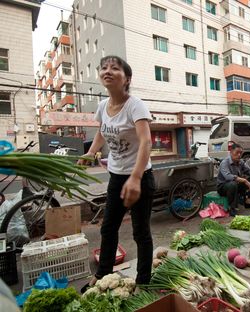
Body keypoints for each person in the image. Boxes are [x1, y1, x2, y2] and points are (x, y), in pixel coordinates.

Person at [78, 56, 155, 287]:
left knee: (140, 232)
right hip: (116, 176)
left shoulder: (135, 105)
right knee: (108, 227)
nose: (107, 71)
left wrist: (135, 178)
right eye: (103, 67)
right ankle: (103, 276)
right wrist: (90, 152)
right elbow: (102, 132)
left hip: (140, 178)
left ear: (126, 78)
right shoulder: (102, 106)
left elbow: (146, 142)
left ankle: (143, 282)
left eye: (114, 68)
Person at [217, 143, 250, 216]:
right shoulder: (225, 162)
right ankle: (232, 208)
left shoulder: (240, 162)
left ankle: (249, 202)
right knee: (232, 184)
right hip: (223, 187)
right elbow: (228, 177)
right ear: (231, 152)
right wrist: (245, 180)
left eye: (240, 153)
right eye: (237, 153)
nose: (239, 155)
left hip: (236, 185)